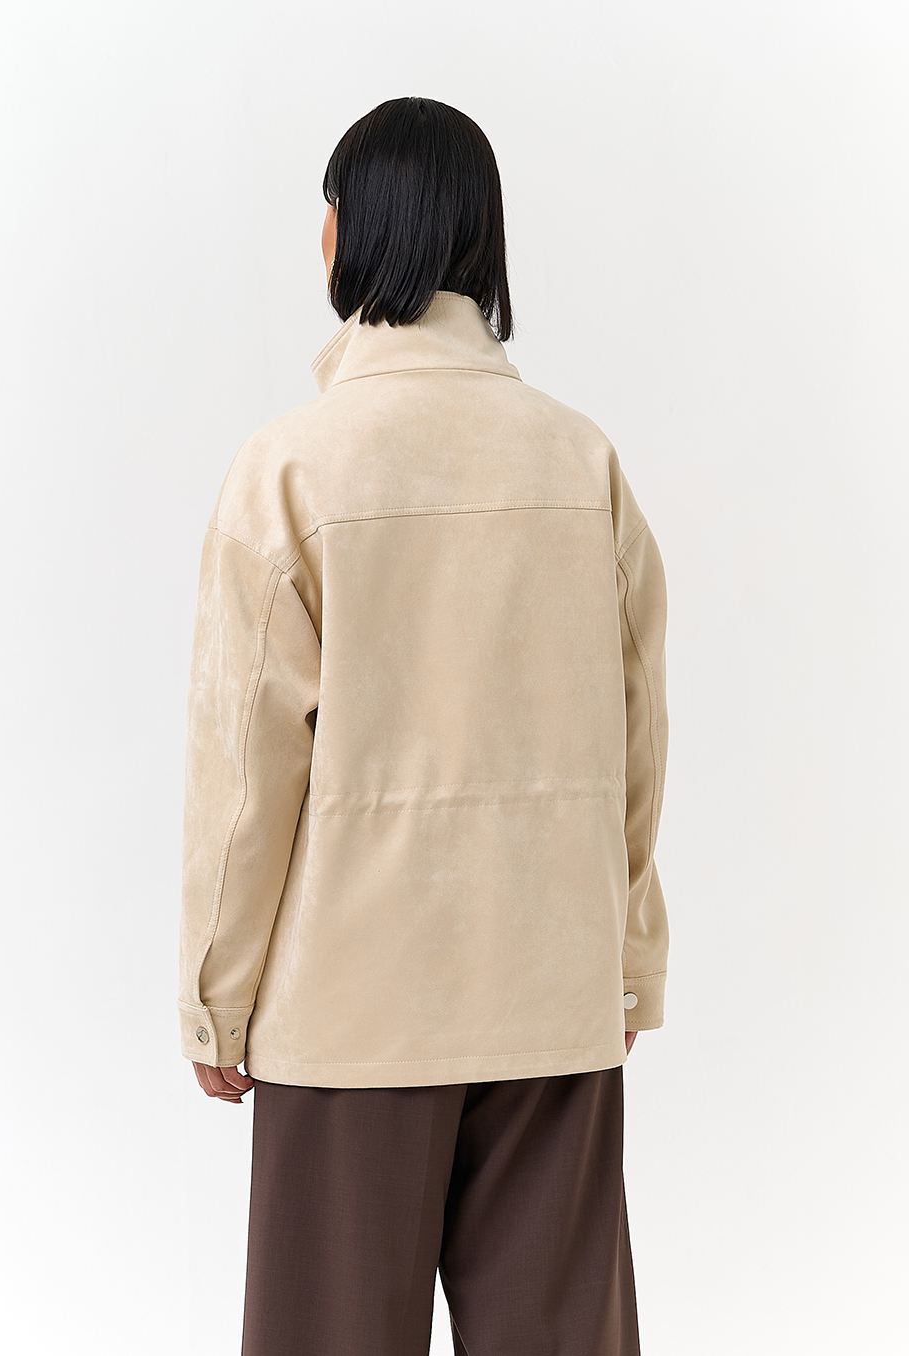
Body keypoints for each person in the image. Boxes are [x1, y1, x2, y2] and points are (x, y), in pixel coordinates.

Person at [178, 96, 669, 1356]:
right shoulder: (581, 462)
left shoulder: (293, 469)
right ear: (479, 240)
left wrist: (216, 999)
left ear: (348, 233)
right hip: (549, 994)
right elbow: (635, 736)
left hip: (349, 1014)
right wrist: (625, 956)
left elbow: (245, 777)